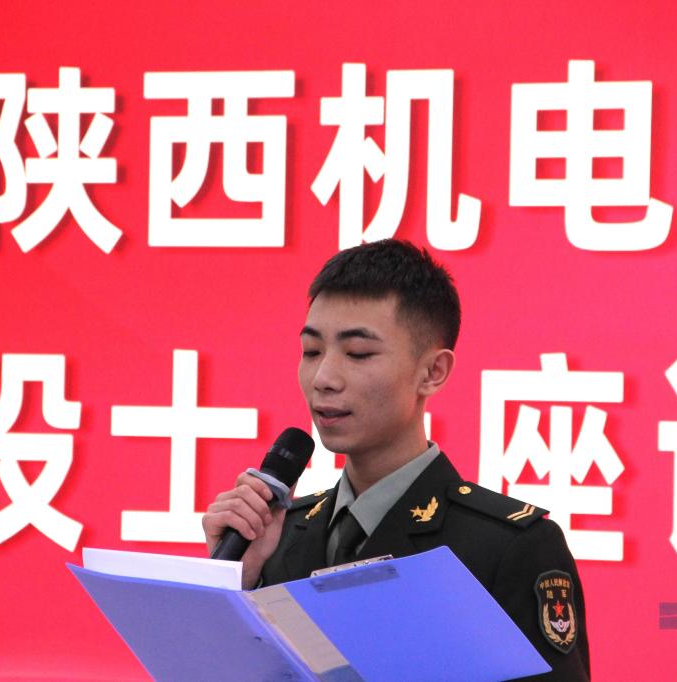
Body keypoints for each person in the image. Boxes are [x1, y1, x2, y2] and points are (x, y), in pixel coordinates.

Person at [202, 239, 590, 680]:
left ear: (432, 372)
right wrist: (239, 583)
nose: (323, 378)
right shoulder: (276, 534)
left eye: (358, 354)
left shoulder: (507, 546)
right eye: (311, 351)